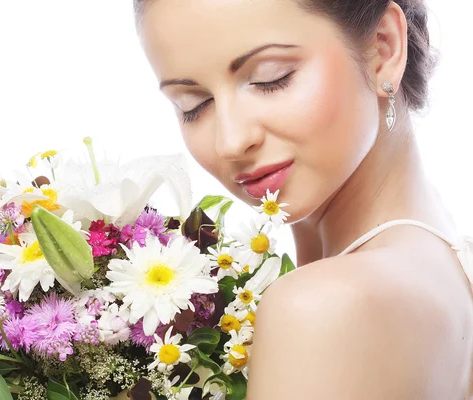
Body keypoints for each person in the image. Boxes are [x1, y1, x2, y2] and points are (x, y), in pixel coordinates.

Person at [132, 0, 473, 398]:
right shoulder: (446, 267)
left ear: (384, 48)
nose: (231, 141)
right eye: (193, 106)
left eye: (270, 79)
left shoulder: (322, 307)